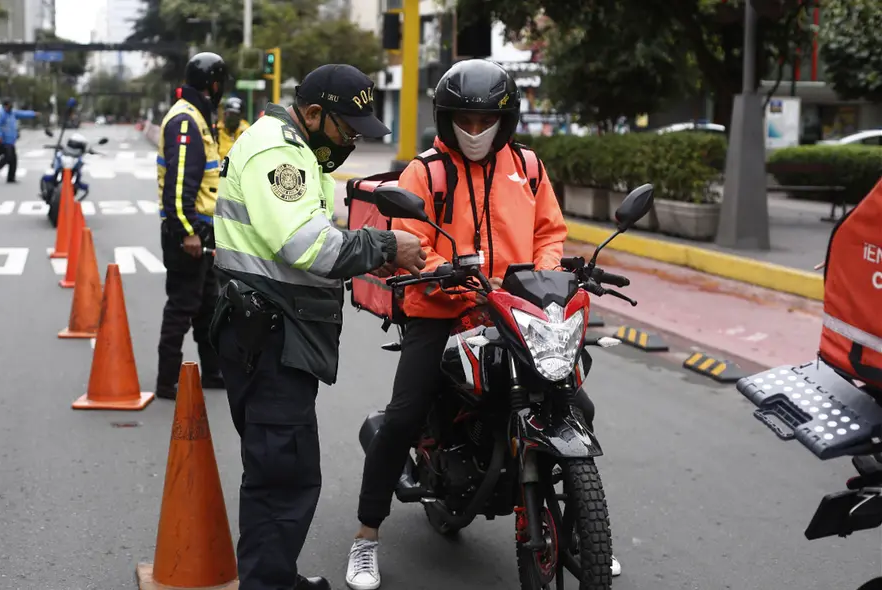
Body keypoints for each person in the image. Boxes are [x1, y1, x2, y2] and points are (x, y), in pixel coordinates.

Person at [343, 59, 623, 590]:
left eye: (485, 121)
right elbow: (411, 242)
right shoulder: (425, 172)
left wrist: (543, 275)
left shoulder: (528, 167)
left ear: (505, 120)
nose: (475, 131)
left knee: (575, 406)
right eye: (464, 121)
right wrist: (446, 275)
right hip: (441, 309)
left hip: (515, 309)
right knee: (403, 416)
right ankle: (366, 537)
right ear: (446, 120)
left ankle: (586, 535)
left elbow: (549, 232)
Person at [208, 64, 427, 590]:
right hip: (269, 338)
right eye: (347, 129)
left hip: (271, 334)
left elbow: (310, 240)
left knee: (280, 472)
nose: (351, 141)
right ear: (312, 114)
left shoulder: (297, 150)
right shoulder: (279, 153)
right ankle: (268, 583)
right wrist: (384, 246)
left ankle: (274, 576)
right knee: (282, 477)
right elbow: (307, 246)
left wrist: (366, 258)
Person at [154, 51, 230, 400]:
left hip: (202, 229)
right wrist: (188, 232)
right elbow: (179, 183)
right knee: (182, 307)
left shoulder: (197, 116)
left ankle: (212, 372)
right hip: (188, 230)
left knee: (207, 306)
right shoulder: (185, 120)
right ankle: (167, 381)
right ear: (212, 84)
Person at [0, 98, 38, 183]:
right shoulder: (0, 113)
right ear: (5, 106)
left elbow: (23, 113)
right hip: (4, 140)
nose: (10, 107)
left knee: (13, 159)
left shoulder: (12, 113)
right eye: (9, 105)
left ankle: (10, 178)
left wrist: (33, 114)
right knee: (8, 157)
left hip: (11, 140)